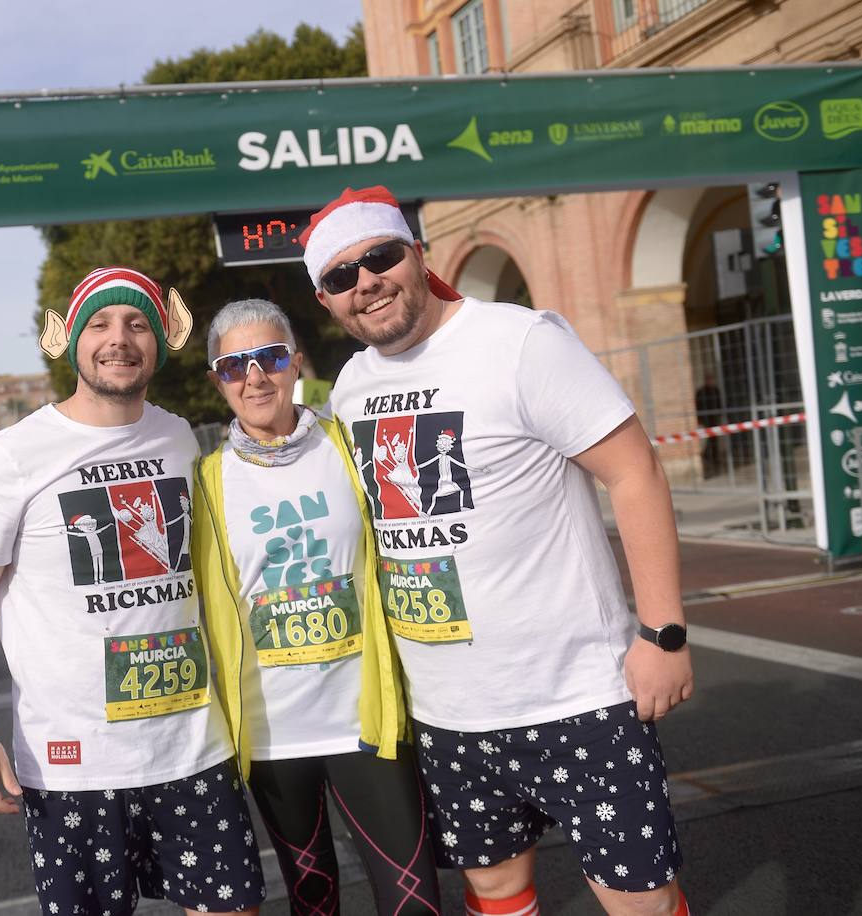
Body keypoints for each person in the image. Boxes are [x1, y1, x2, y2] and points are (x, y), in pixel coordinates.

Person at [305, 186, 693, 916]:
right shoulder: (353, 386)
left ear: (416, 256)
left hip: (577, 695)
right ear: (326, 300)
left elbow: (634, 471)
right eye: (339, 276)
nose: (365, 283)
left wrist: (662, 632)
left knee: (638, 896)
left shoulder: (520, 341)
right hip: (450, 711)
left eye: (380, 257)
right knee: (496, 893)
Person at [0, 266, 264, 916]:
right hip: (72, 764)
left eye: (137, 323)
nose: (119, 338)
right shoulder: (12, 454)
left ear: (159, 343)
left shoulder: (175, 435)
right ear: (70, 339)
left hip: (191, 747)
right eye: (101, 323)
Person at [193, 298, 440, 916]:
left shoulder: (348, 445)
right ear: (217, 380)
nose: (254, 377)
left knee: (413, 898)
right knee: (313, 899)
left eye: (270, 357)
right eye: (233, 365)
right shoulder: (207, 481)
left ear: (296, 362)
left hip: (364, 719)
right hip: (272, 734)